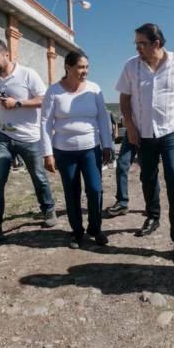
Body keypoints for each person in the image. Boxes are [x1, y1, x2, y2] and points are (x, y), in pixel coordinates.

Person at [116, 23, 174, 268]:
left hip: (173, 129)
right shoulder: (131, 66)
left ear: (157, 43)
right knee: (147, 177)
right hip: (143, 133)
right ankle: (153, 217)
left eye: (141, 43)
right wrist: (130, 127)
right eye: (136, 44)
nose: (137, 48)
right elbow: (124, 98)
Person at [0, 38, 57, 248]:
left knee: (39, 177)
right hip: (3, 136)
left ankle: (48, 207)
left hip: (29, 137)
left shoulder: (27, 74)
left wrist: (18, 103)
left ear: (6, 54)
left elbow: (45, 99)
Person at [41, 51, 113, 249]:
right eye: (81, 67)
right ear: (68, 67)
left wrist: (107, 145)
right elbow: (45, 123)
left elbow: (103, 119)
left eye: (87, 67)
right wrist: (47, 153)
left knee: (95, 189)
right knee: (71, 192)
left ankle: (95, 228)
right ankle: (77, 231)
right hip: (64, 151)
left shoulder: (94, 89)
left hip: (91, 148)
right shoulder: (54, 91)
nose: (85, 71)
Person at [103, 120, 161, 218]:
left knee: (149, 171)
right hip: (130, 131)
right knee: (121, 165)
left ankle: (152, 206)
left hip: (148, 132)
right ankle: (122, 203)